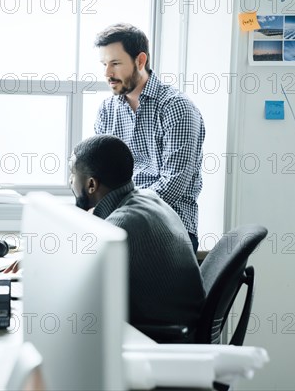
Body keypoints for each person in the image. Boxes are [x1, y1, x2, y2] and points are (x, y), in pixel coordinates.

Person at [68, 134, 205, 340]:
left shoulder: (121, 226)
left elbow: (78, 288)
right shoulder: (145, 197)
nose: (70, 181)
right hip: (179, 326)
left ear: (91, 185)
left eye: (72, 173)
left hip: (162, 339)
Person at [94, 23, 205, 253]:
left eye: (115, 63)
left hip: (170, 230)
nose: (107, 74)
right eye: (104, 65)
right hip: (119, 225)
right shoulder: (107, 110)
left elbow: (171, 187)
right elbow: (100, 177)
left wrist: (116, 212)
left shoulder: (177, 108)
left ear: (140, 61)